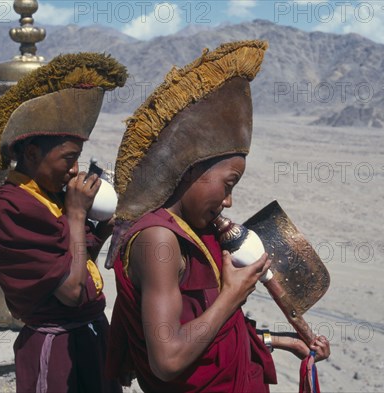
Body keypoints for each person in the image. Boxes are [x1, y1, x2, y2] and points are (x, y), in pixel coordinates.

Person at [105, 41, 330, 392]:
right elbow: (168, 359)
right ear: (191, 169)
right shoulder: (158, 239)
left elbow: (217, 327)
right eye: (228, 184)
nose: (228, 201)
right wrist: (231, 294)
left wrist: (285, 340)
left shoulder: (200, 232)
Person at [0, 53, 127, 393]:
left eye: (77, 159)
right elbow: (71, 291)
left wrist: (100, 231)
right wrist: (75, 215)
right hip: (57, 350)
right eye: (68, 159)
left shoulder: (49, 195)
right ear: (31, 154)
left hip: (91, 337)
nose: (74, 170)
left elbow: (76, 259)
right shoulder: (11, 208)